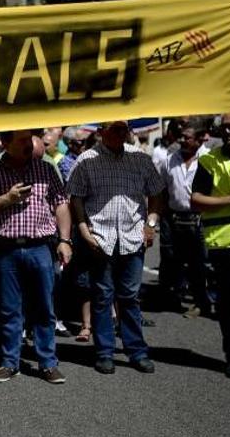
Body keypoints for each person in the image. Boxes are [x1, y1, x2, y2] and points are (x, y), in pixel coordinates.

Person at [66, 121, 164, 375]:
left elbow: (156, 192)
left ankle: (136, 351)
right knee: (102, 297)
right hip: (100, 239)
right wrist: (84, 231)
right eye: (115, 129)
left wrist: (150, 223)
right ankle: (104, 352)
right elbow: (75, 197)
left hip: (133, 238)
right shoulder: (87, 160)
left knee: (129, 297)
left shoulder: (140, 158)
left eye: (124, 129)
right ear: (101, 132)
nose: (122, 134)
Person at [0, 130, 72, 384]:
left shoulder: (46, 170)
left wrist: (64, 240)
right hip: (5, 249)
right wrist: (7, 198)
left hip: (40, 247)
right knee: (8, 310)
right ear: (6, 144)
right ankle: (9, 362)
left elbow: (61, 204)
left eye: (30, 139)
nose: (28, 144)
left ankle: (47, 362)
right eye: (21, 140)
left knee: (44, 308)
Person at [190, 112, 230, 380]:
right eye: (224, 128)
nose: (228, 132)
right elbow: (196, 200)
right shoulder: (209, 160)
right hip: (224, 238)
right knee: (227, 302)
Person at [159, 120, 211, 317]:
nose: (181, 140)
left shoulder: (208, 159)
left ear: (199, 139)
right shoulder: (169, 160)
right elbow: (162, 190)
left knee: (198, 263)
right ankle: (173, 296)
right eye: (181, 136)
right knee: (172, 260)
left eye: (187, 137)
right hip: (173, 218)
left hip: (199, 218)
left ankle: (201, 302)